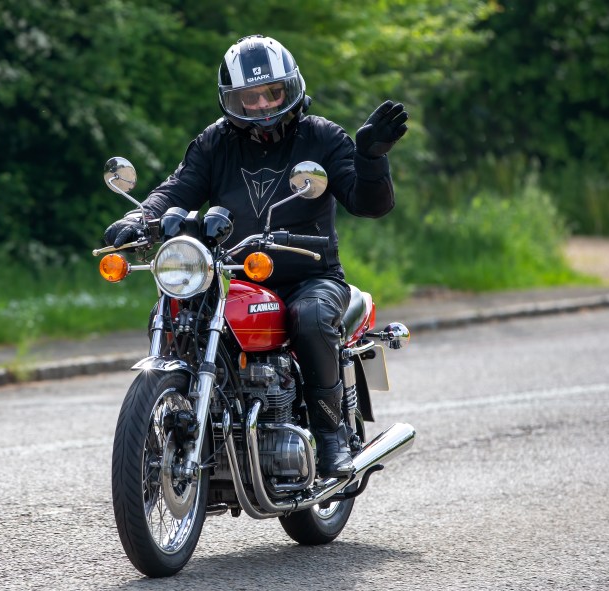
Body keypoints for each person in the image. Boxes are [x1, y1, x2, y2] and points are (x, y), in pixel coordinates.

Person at [103, 34, 408, 478]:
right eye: (249, 98)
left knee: (308, 315)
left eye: (273, 93)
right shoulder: (215, 143)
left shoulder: (321, 137)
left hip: (311, 275)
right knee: (178, 311)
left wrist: (371, 157)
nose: (263, 105)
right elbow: (177, 189)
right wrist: (141, 219)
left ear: (292, 88)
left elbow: (369, 203)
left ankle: (329, 437)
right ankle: (190, 423)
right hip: (231, 276)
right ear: (232, 100)